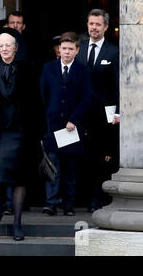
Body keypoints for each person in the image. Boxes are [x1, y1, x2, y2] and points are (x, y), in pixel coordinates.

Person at [0, 28, 46, 241]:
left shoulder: (28, 69)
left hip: (23, 131)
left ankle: (18, 221)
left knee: (21, 177)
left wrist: (40, 132)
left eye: (8, 45)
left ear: (16, 47)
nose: (5, 48)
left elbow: (37, 101)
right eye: (1, 45)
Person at [40, 32, 92, 216]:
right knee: (52, 167)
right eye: (64, 48)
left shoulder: (83, 70)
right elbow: (43, 95)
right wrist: (46, 120)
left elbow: (86, 98)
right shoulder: (48, 68)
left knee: (70, 169)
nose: (67, 52)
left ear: (77, 50)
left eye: (71, 49)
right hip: (52, 126)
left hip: (72, 127)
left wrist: (74, 119)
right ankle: (51, 203)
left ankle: (68, 204)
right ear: (58, 50)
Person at [76, 9, 120, 212]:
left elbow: (118, 84)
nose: (93, 27)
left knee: (100, 158)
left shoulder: (114, 51)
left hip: (104, 114)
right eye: (91, 23)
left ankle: (96, 199)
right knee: (80, 156)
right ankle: (78, 199)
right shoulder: (80, 48)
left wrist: (118, 112)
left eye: (98, 24)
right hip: (80, 112)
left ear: (106, 27)